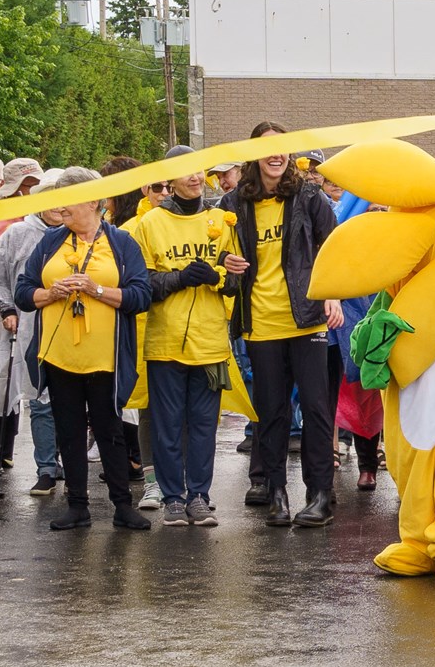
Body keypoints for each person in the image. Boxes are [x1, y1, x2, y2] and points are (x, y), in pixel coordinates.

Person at [220, 121, 343, 528]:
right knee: (270, 413)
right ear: (252, 153)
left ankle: (320, 496)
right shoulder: (233, 203)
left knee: (316, 410)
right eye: (268, 148)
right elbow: (216, 254)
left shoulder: (308, 195)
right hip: (260, 324)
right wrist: (226, 264)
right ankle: (276, 494)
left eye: (284, 147)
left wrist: (332, 293)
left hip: (307, 321)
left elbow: (335, 246)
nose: (277, 155)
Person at [16, 167, 153, 531]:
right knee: (69, 430)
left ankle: (123, 506)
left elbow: (141, 296)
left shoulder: (121, 243)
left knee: (109, 430)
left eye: (69, 198)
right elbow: (23, 291)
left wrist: (96, 290)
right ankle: (77, 506)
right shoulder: (50, 242)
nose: (61, 207)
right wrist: (50, 293)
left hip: (105, 356)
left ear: (94, 200)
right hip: (59, 355)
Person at [132, 167, 245, 526]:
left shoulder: (222, 219)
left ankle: (199, 495)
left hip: (209, 342)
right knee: (166, 425)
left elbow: (238, 276)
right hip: (165, 341)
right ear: (170, 181)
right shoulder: (150, 222)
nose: (194, 178)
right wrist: (179, 278)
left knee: (202, 425)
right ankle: (172, 498)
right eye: (184, 173)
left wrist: (220, 277)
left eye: (198, 171)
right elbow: (142, 282)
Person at [0, 177, 63, 495]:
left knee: (72, 400)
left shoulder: (80, 235)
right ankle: (46, 468)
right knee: (39, 398)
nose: (58, 205)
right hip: (28, 327)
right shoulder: (17, 234)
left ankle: (65, 461)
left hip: (72, 328)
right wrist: (7, 308)